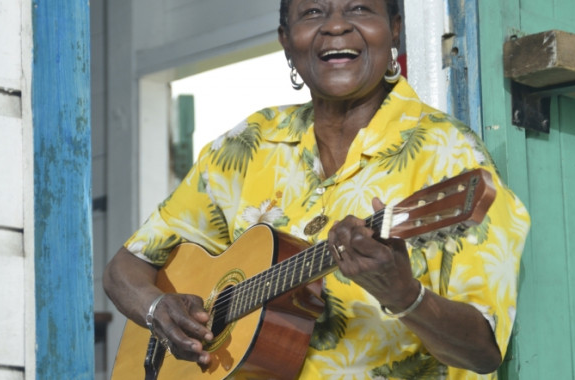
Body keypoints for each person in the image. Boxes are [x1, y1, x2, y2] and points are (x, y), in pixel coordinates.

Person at [104, 0, 531, 378]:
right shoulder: (249, 143)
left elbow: (482, 352)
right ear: (286, 40)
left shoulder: (450, 156)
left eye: (360, 9)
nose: (336, 26)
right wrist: (158, 309)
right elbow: (126, 267)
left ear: (395, 27)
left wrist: (404, 294)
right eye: (312, 12)